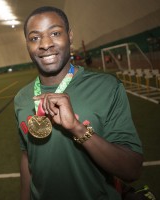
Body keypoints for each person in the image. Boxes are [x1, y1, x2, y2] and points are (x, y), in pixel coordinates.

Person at [14, 6, 143, 200]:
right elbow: (27, 156)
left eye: (55, 33)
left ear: (70, 36)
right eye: (35, 38)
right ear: (27, 44)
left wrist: (77, 129)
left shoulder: (107, 87)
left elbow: (131, 170)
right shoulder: (21, 98)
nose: (45, 44)